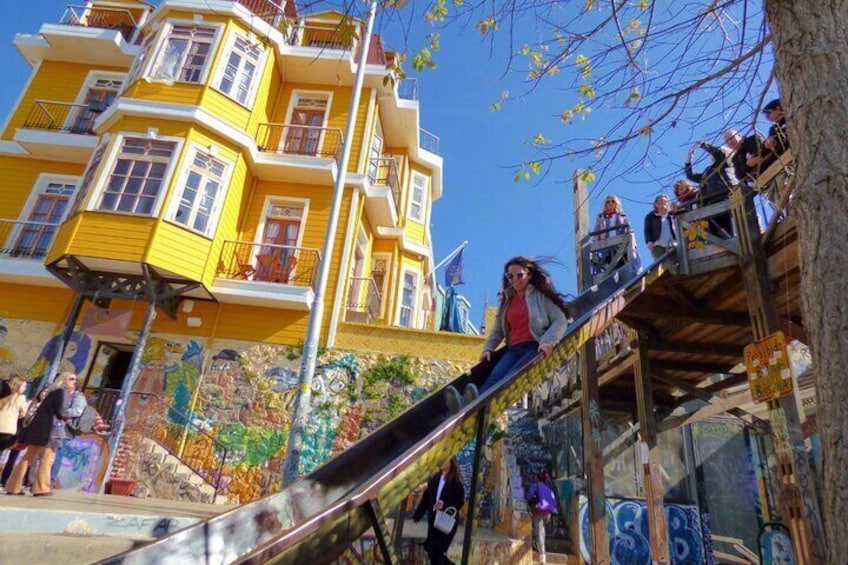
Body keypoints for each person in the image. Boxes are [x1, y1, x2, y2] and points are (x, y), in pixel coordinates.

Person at [445, 257, 570, 414]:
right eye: (510, 276)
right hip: (513, 349)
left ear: (529, 275)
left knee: (511, 376)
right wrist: (488, 348)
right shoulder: (507, 300)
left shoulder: (540, 297)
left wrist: (548, 342)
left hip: (534, 346)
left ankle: (474, 405)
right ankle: (468, 405)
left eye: (519, 275)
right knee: (495, 376)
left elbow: (560, 320)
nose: (515, 280)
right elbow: (497, 330)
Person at [5, 373, 75, 496]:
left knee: (28, 457)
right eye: (71, 379)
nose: (74, 382)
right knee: (47, 459)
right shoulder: (63, 392)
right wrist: (70, 420)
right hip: (50, 431)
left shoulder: (53, 392)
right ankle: (41, 488)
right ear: (64, 381)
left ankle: (12, 486)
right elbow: (61, 411)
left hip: (38, 430)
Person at [413, 458, 466, 565]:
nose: (441, 462)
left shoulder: (455, 482)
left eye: (445, 460)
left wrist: (444, 505)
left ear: (451, 463)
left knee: (438, 553)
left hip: (446, 522)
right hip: (434, 521)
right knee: (432, 553)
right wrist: (418, 515)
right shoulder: (435, 479)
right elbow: (426, 498)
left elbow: (459, 502)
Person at [685, 140, 736, 237]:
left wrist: (703, 145)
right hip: (712, 201)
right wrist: (688, 162)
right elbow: (691, 176)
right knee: (716, 229)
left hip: (726, 195)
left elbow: (719, 153)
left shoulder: (725, 162)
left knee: (729, 225)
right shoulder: (708, 171)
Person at [1, 387, 47, 488]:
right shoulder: (30, 402)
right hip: (20, 432)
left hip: (32, 434)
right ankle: (5, 481)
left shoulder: (46, 407)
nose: (44, 394)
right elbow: (23, 415)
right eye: (43, 391)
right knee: (10, 456)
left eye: (47, 392)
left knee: (26, 458)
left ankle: (25, 482)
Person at [593, 195, 639, 271]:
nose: (610, 203)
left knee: (622, 263)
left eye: (613, 201)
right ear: (605, 204)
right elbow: (596, 231)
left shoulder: (622, 216)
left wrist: (632, 244)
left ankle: (631, 261)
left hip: (620, 244)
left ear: (616, 203)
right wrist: (593, 243)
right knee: (610, 265)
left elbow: (629, 228)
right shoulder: (601, 217)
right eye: (608, 201)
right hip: (606, 245)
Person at [526, 470, 558, 564]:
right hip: (548, 513)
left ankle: (542, 557)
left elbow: (529, 495)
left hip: (539, 511)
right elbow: (554, 501)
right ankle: (539, 545)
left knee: (539, 532)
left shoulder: (536, 485)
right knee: (541, 530)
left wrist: (532, 499)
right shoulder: (549, 488)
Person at [644, 194, 676, 260]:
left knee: (674, 264)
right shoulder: (651, 216)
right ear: (656, 204)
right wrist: (648, 241)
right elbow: (647, 230)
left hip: (672, 244)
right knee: (662, 265)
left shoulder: (671, 215)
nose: (662, 203)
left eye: (665, 201)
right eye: (660, 201)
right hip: (657, 245)